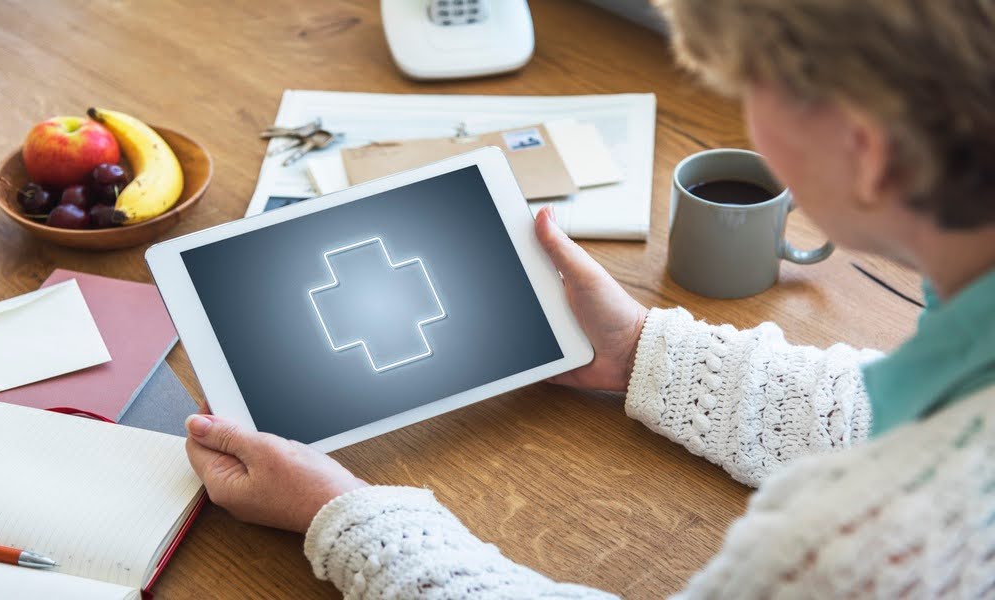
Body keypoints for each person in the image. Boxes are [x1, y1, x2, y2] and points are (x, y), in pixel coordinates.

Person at [183, 0, 995, 596]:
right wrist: (644, 352)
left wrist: (342, 514)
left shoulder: (860, 547)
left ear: (867, 152)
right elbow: (916, 421)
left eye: (753, 88)